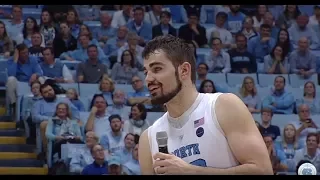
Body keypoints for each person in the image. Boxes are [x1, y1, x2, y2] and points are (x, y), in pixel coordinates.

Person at [138, 35, 273, 175]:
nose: (148, 78)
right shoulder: (148, 138)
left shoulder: (223, 106)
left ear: (184, 70)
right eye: (146, 72)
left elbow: (263, 170)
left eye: (157, 69)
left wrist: (191, 172)